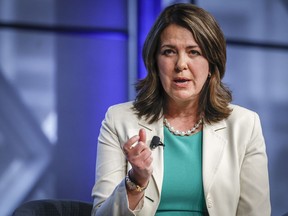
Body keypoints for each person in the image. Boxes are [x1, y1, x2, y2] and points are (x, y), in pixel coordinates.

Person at [91, 3, 271, 216]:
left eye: (194, 52)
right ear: (155, 63)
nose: (181, 64)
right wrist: (135, 181)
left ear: (212, 65)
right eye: (169, 52)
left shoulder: (245, 125)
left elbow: (255, 213)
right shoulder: (118, 120)